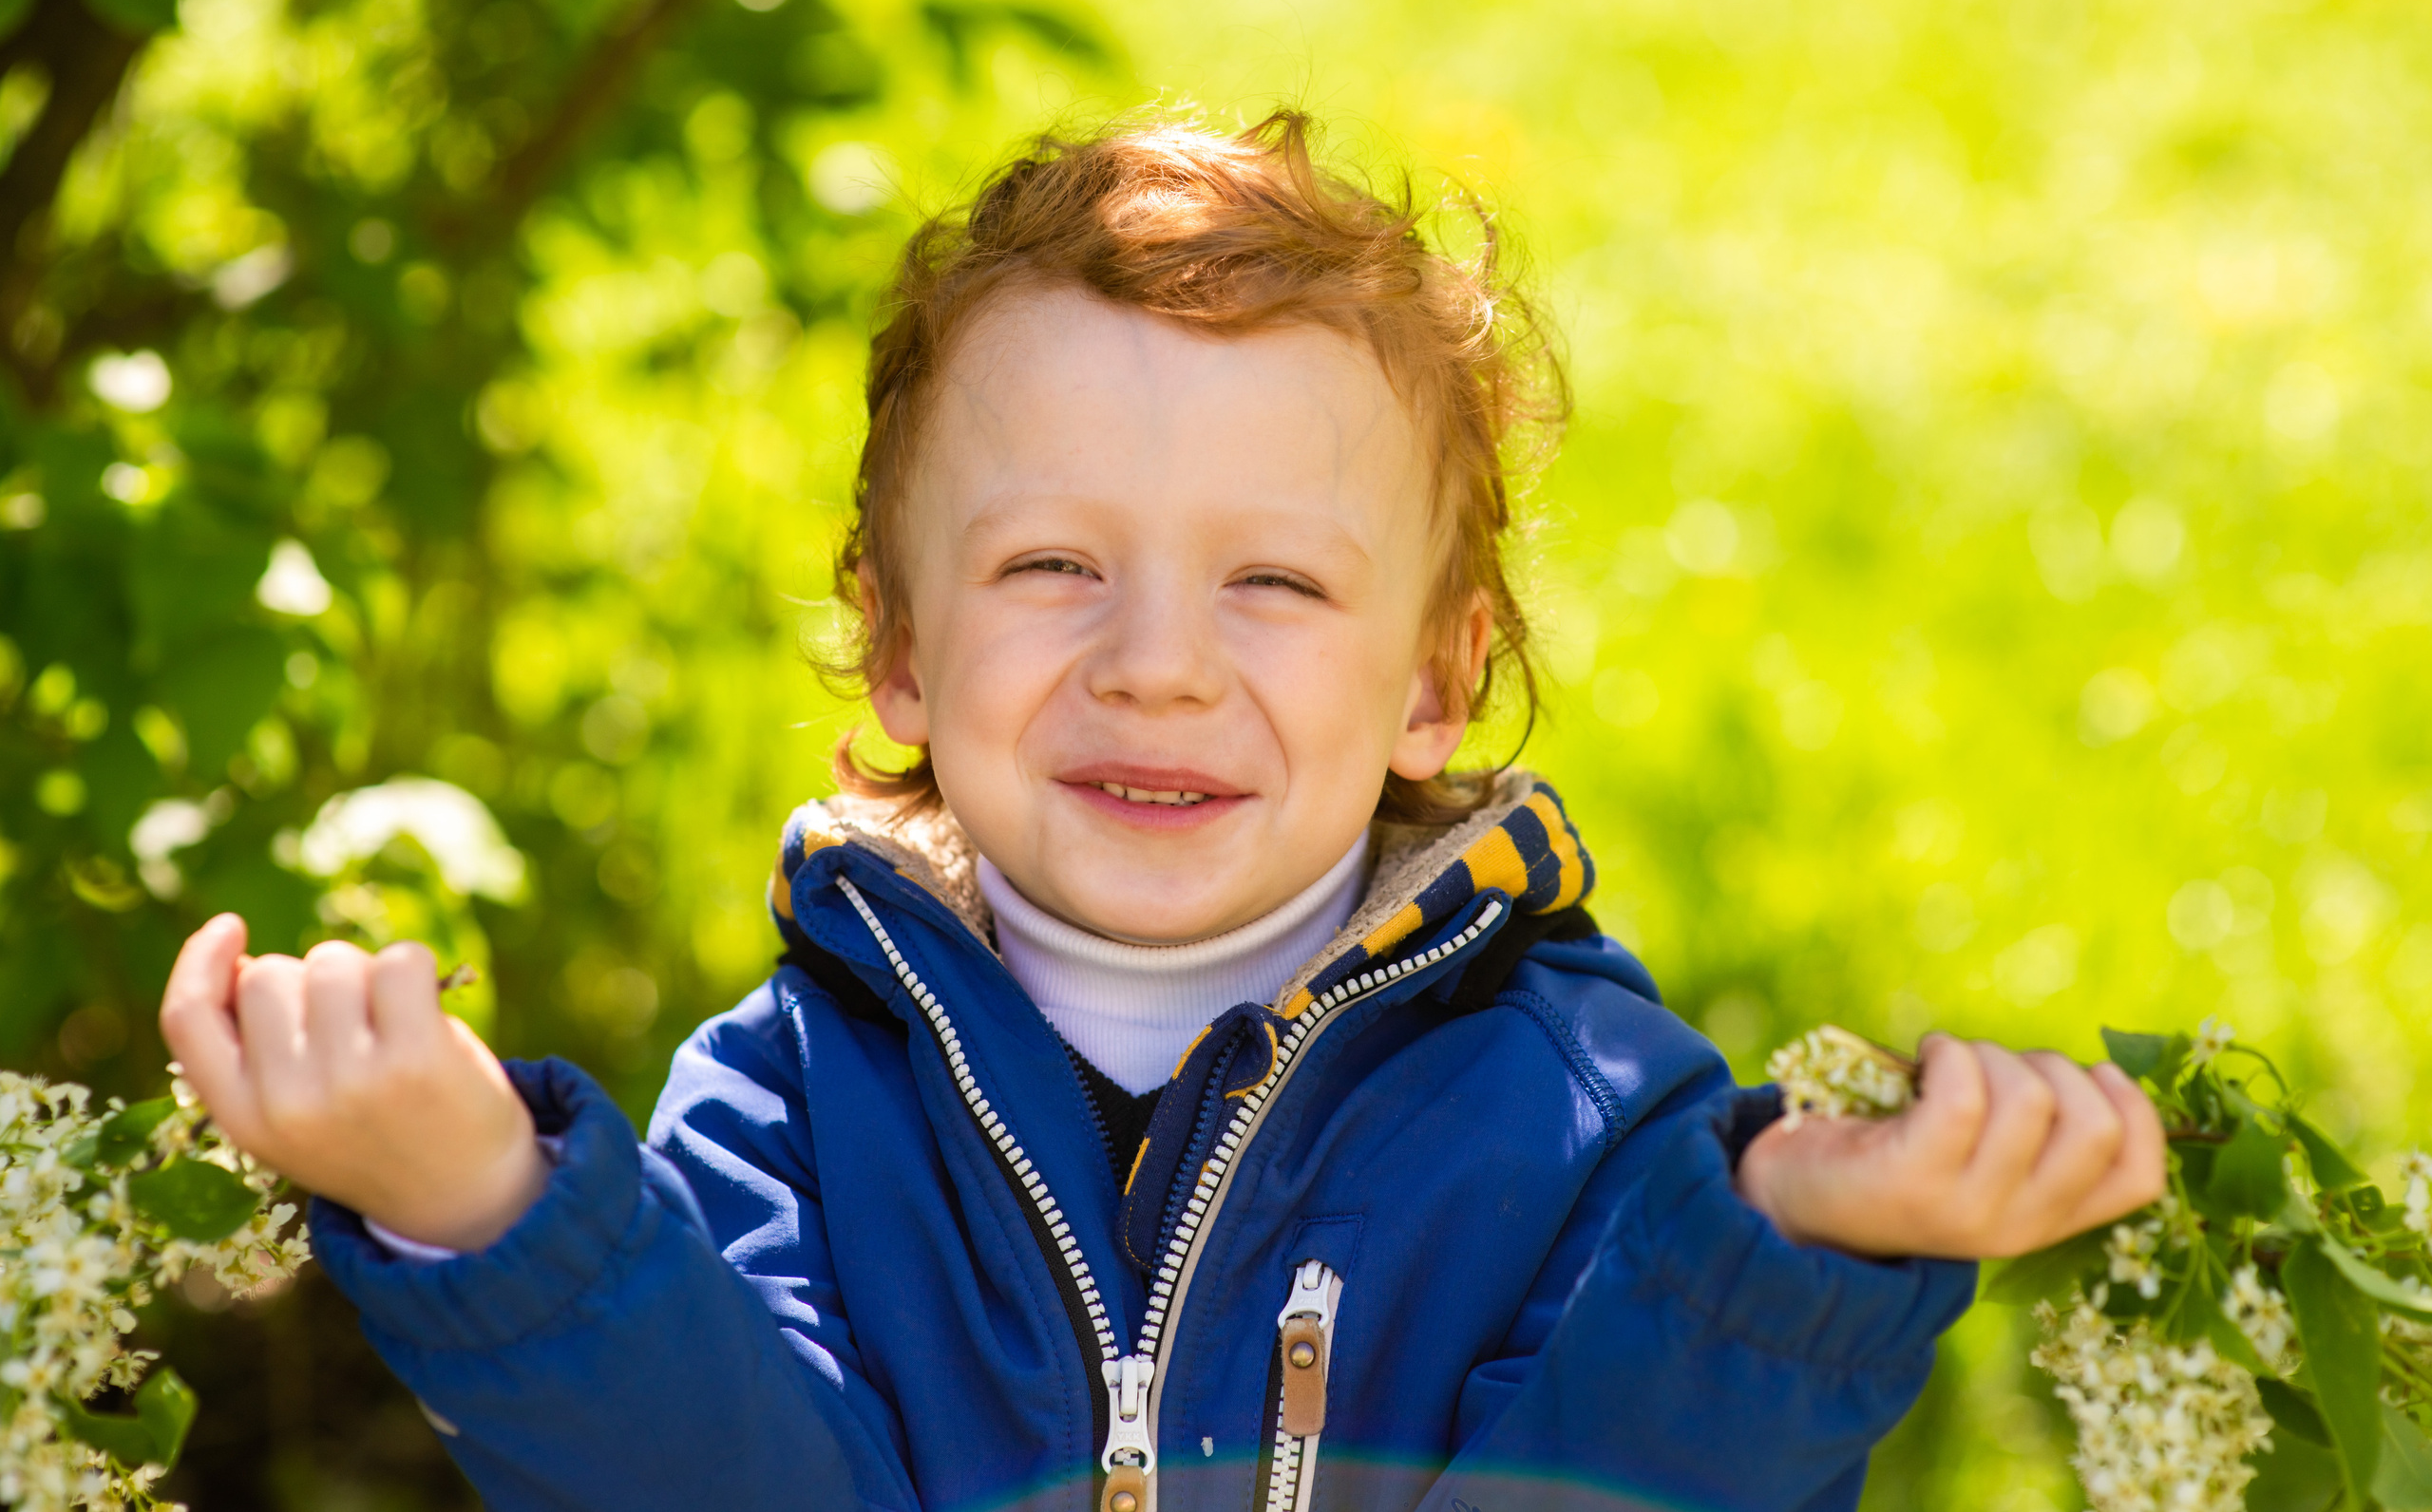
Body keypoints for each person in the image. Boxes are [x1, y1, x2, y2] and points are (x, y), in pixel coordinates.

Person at [159, 110, 2165, 1512]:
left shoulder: (1588, 1115)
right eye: (1050, 569)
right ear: (902, 656)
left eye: (1271, 585)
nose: (1157, 665)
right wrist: (482, 1208)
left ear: (1434, 680)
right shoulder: (784, 1105)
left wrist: (1793, 1251)